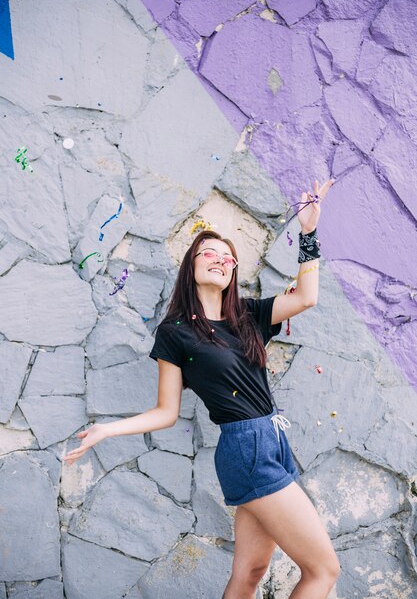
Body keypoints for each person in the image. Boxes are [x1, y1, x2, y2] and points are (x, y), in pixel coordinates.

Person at [63, 179, 340, 599]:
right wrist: (107, 429)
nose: (221, 260)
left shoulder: (249, 315)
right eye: (209, 253)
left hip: (274, 441)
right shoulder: (175, 334)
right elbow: (165, 412)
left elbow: (306, 296)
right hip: (245, 448)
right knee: (323, 570)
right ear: (191, 266)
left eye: (229, 258)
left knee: (250, 571)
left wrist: (308, 231)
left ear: (232, 273)